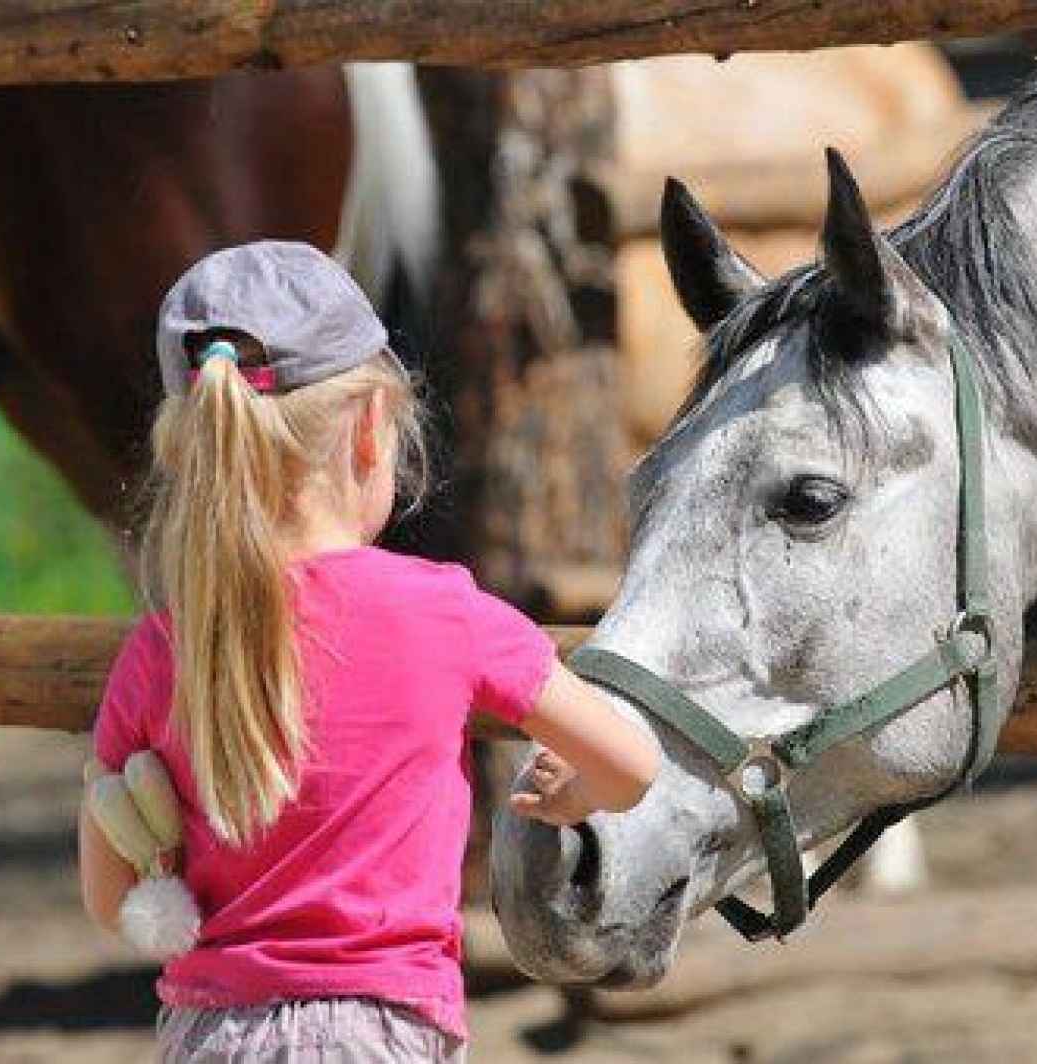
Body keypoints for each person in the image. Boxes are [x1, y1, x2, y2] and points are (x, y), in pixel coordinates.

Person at [78, 241, 660, 1063]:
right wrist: (569, 794)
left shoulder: (161, 647)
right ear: (369, 432)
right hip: (384, 1033)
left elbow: (110, 897)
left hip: (210, 1037)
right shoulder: (444, 613)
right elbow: (631, 766)